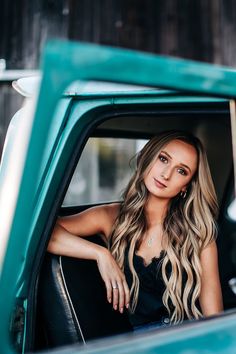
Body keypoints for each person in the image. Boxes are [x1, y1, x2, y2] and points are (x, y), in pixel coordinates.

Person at [48, 130, 223, 331]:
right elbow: (44, 235)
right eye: (163, 159)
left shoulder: (199, 235)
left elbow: (214, 321)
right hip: (137, 342)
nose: (166, 174)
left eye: (181, 171)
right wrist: (100, 254)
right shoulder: (110, 217)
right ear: (147, 158)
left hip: (184, 339)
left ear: (186, 187)